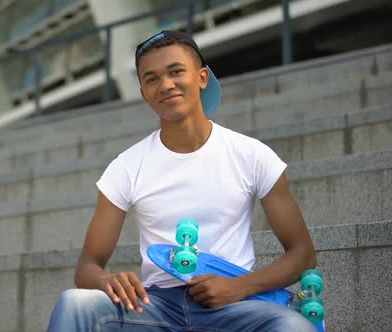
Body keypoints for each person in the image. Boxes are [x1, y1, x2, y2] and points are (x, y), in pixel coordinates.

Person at [46, 30, 318, 331]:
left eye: (176, 72)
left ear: (202, 78)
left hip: (233, 305)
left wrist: (241, 287)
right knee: (75, 304)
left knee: (294, 327)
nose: (165, 85)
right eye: (151, 79)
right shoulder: (126, 167)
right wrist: (106, 279)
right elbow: (87, 266)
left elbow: (303, 254)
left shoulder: (252, 155)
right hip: (155, 307)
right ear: (144, 93)